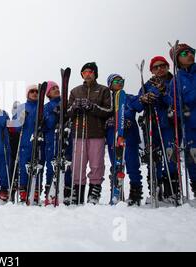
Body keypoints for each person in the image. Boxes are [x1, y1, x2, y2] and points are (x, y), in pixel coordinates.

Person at [68, 62, 112, 205]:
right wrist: (74, 107)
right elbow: (68, 113)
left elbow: (108, 111)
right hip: (79, 133)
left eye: (90, 72)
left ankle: (94, 192)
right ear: (82, 74)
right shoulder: (75, 91)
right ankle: (77, 192)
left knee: (96, 164)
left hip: (96, 133)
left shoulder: (103, 90)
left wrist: (92, 107)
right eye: (84, 72)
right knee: (77, 165)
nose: (87, 74)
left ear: (95, 74)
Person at [138, 56, 176, 204]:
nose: (159, 69)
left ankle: (172, 189)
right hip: (151, 124)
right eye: (156, 67)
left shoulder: (173, 82)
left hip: (168, 123)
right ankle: (155, 188)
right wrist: (144, 98)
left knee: (170, 155)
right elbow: (139, 103)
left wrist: (163, 92)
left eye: (162, 66)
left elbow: (174, 101)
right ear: (152, 70)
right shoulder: (147, 85)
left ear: (167, 66)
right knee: (153, 156)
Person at [106, 74, 143, 206]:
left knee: (132, 165)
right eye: (116, 81)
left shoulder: (129, 98)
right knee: (116, 164)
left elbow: (139, 105)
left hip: (130, 136)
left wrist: (143, 97)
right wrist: (109, 121)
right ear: (110, 84)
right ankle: (116, 192)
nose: (120, 82)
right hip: (112, 137)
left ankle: (135, 193)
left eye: (122, 80)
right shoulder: (106, 100)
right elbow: (101, 115)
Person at [167, 43, 196, 203]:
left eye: (191, 52)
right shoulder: (176, 81)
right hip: (190, 124)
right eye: (184, 54)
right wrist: (176, 111)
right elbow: (174, 103)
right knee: (193, 156)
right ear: (177, 59)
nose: (190, 55)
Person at [42, 81, 73, 206]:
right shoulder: (46, 107)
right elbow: (46, 125)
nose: (56, 90)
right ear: (48, 93)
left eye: (57, 88)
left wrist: (65, 113)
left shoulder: (66, 103)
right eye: (53, 88)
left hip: (65, 139)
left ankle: (66, 193)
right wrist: (54, 114)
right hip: (51, 140)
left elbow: (71, 117)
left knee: (66, 165)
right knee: (51, 166)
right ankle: (50, 192)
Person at [12, 84, 42, 204]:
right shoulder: (22, 107)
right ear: (27, 94)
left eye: (36, 91)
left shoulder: (42, 107)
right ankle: (23, 194)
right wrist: (21, 119)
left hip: (38, 142)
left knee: (38, 168)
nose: (34, 93)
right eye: (32, 91)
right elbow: (16, 126)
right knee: (23, 169)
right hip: (24, 143)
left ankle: (35, 193)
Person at [8, 101, 21, 200]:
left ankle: (14, 187)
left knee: (15, 166)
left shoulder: (18, 119)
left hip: (17, 145)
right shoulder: (11, 120)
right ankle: (13, 188)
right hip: (13, 146)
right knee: (13, 166)